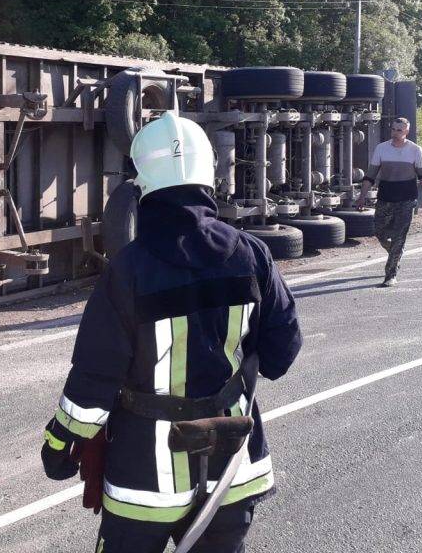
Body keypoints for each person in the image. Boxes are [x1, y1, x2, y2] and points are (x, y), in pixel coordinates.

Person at [40, 111, 302, 553]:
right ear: (209, 177)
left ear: (141, 186)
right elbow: (282, 352)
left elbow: (94, 378)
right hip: (232, 469)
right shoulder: (252, 255)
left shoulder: (127, 270)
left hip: (144, 478)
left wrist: (60, 440)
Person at [356, 117, 422, 287]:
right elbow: (370, 175)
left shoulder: (415, 150)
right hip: (385, 198)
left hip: (407, 200)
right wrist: (362, 196)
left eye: (399, 130)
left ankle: (390, 275)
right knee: (380, 232)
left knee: (399, 237)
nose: (395, 133)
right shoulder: (382, 149)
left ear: (406, 131)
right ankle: (395, 252)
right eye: (393, 129)